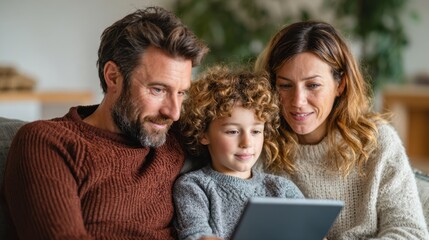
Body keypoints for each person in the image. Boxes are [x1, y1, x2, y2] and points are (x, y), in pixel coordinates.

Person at [1, 6, 208, 240]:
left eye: (181, 93)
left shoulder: (173, 139)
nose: (174, 112)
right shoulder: (47, 142)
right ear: (113, 76)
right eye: (158, 89)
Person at [254, 20, 429, 239]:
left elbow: (411, 233)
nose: (297, 101)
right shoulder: (257, 144)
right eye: (285, 85)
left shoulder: (377, 142)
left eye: (313, 85)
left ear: (340, 84)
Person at [173, 65, 304, 240]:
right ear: (203, 133)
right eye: (232, 131)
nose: (247, 143)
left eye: (256, 132)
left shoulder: (282, 189)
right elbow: (198, 235)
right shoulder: (194, 186)